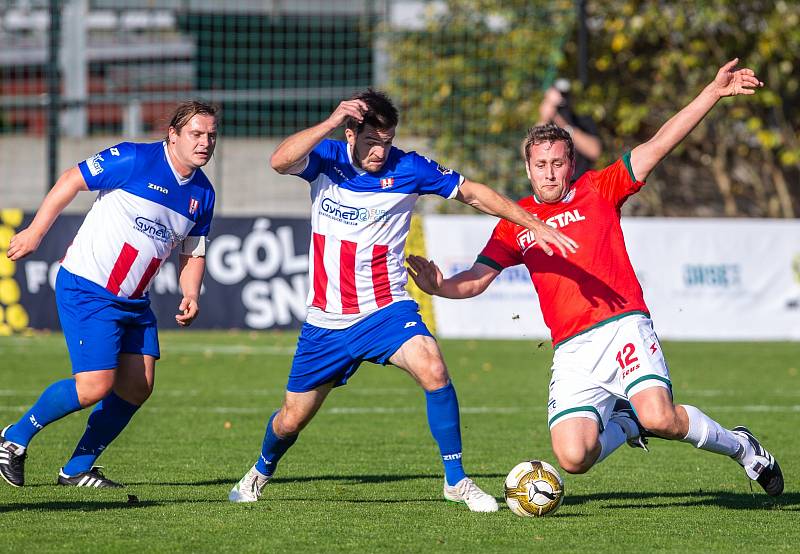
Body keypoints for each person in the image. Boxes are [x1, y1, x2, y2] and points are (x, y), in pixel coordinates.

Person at [407, 59, 783, 496]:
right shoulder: (514, 223)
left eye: (558, 163)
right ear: (528, 169)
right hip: (572, 349)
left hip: (623, 325)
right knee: (574, 457)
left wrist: (712, 93)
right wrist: (441, 287)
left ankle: (741, 447)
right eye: (541, 164)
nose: (550, 172)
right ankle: (624, 424)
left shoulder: (600, 189)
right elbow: (475, 279)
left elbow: (660, 142)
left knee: (660, 416)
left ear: (571, 165)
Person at [228, 89, 577, 512]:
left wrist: (531, 221)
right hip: (327, 321)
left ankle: (456, 480)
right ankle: (260, 471)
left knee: (432, 366)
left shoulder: (409, 168)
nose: (380, 151)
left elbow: (473, 193)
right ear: (351, 133)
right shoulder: (327, 159)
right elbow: (279, 161)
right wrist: (330, 120)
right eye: (372, 141)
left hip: (385, 311)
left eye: (387, 141)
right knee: (291, 418)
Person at [0, 101, 218, 489]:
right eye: (196, 134)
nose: (205, 142)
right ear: (173, 134)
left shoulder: (203, 193)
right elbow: (72, 179)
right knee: (94, 386)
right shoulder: (134, 158)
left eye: (211, 135)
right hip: (89, 287)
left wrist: (191, 292)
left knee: (137, 386)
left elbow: (193, 248)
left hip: (135, 302)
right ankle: (13, 439)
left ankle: (76, 468)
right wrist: (35, 232)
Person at [538, 78, 601, 180]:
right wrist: (544, 118)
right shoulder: (545, 125)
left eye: (565, 96)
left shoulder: (582, 121)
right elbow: (526, 152)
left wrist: (561, 122)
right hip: (552, 185)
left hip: (580, 184)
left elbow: (595, 151)